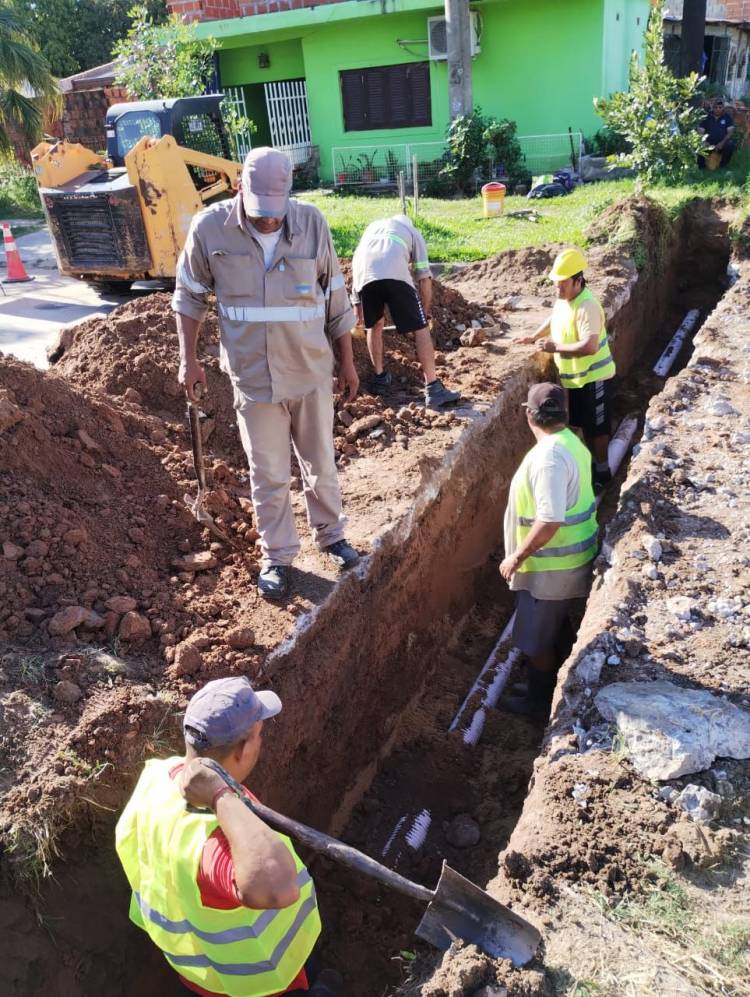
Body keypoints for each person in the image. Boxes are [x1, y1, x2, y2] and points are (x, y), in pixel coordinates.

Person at [173, 147, 360, 601]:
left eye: (276, 214)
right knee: (269, 472)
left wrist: (348, 361)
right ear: (241, 189)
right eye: (261, 214)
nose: (269, 222)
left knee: (320, 461)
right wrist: (188, 358)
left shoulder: (312, 224)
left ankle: (331, 533)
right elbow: (189, 296)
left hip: (311, 371)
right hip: (253, 379)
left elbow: (335, 296)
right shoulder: (210, 229)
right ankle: (276, 556)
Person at [116, 676, 340, 997]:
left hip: (196, 971)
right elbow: (278, 889)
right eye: (260, 735)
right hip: (258, 984)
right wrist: (222, 796)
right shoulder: (211, 841)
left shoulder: (156, 776)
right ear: (244, 748)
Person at [498, 383, 598, 716]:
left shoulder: (548, 459)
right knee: (555, 630)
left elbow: (550, 519)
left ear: (530, 415)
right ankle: (553, 680)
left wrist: (517, 556)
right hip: (568, 562)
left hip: (550, 570)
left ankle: (538, 705)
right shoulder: (572, 442)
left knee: (534, 641)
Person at [516, 248, 616, 492]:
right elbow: (554, 319)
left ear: (578, 280)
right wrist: (534, 336)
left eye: (563, 284)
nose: (558, 289)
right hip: (575, 380)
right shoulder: (565, 299)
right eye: (556, 284)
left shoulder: (587, 306)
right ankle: (587, 465)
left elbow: (590, 346)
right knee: (582, 425)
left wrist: (554, 347)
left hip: (595, 378)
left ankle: (602, 471)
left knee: (597, 429)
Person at [350, 214, 461, 410]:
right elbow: (424, 277)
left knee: (374, 325)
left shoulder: (371, 231)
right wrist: (424, 313)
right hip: (395, 276)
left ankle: (379, 378)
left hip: (364, 277)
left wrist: (357, 309)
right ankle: (433, 388)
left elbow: (356, 265)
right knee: (421, 329)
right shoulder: (411, 231)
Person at [698, 98, 736, 168]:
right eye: (716, 107)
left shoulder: (727, 117)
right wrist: (704, 141)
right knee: (699, 144)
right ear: (712, 107)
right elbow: (700, 131)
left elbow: (730, 132)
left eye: (720, 107)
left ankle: (723, 166)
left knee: (730, 144)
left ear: (723, 108)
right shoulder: (706, 117)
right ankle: (701, 167)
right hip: (708, 144)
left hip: (721, 144)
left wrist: (722, 143)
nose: (718, 109)